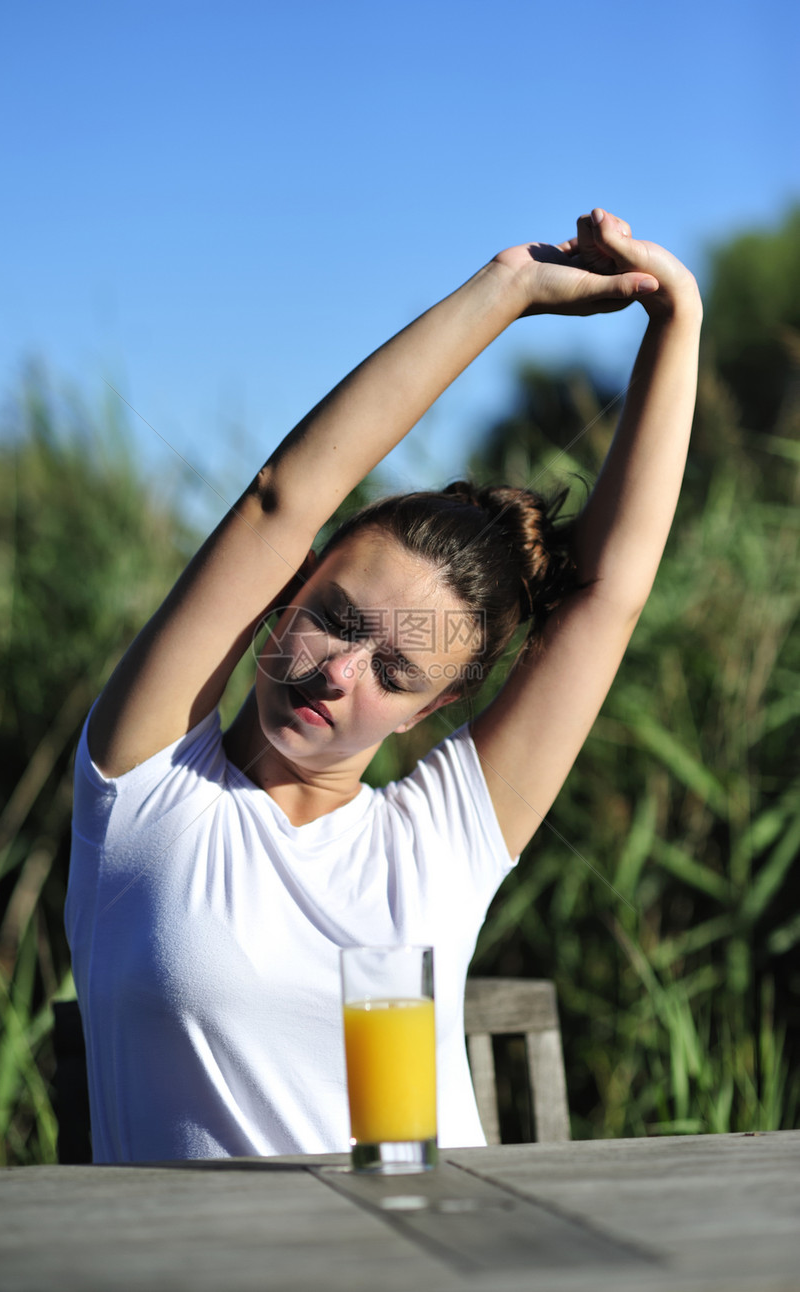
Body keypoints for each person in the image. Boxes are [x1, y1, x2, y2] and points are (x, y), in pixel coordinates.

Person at [66, 209, 702, 1163]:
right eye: (338, 620)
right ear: (285, 593)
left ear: (432, 709)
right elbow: (285, 495)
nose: (336, 673)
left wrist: (677, 319)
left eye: (394, 672)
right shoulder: (147, 792)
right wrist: (508, 289)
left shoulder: (440, 843)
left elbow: (606, 600)